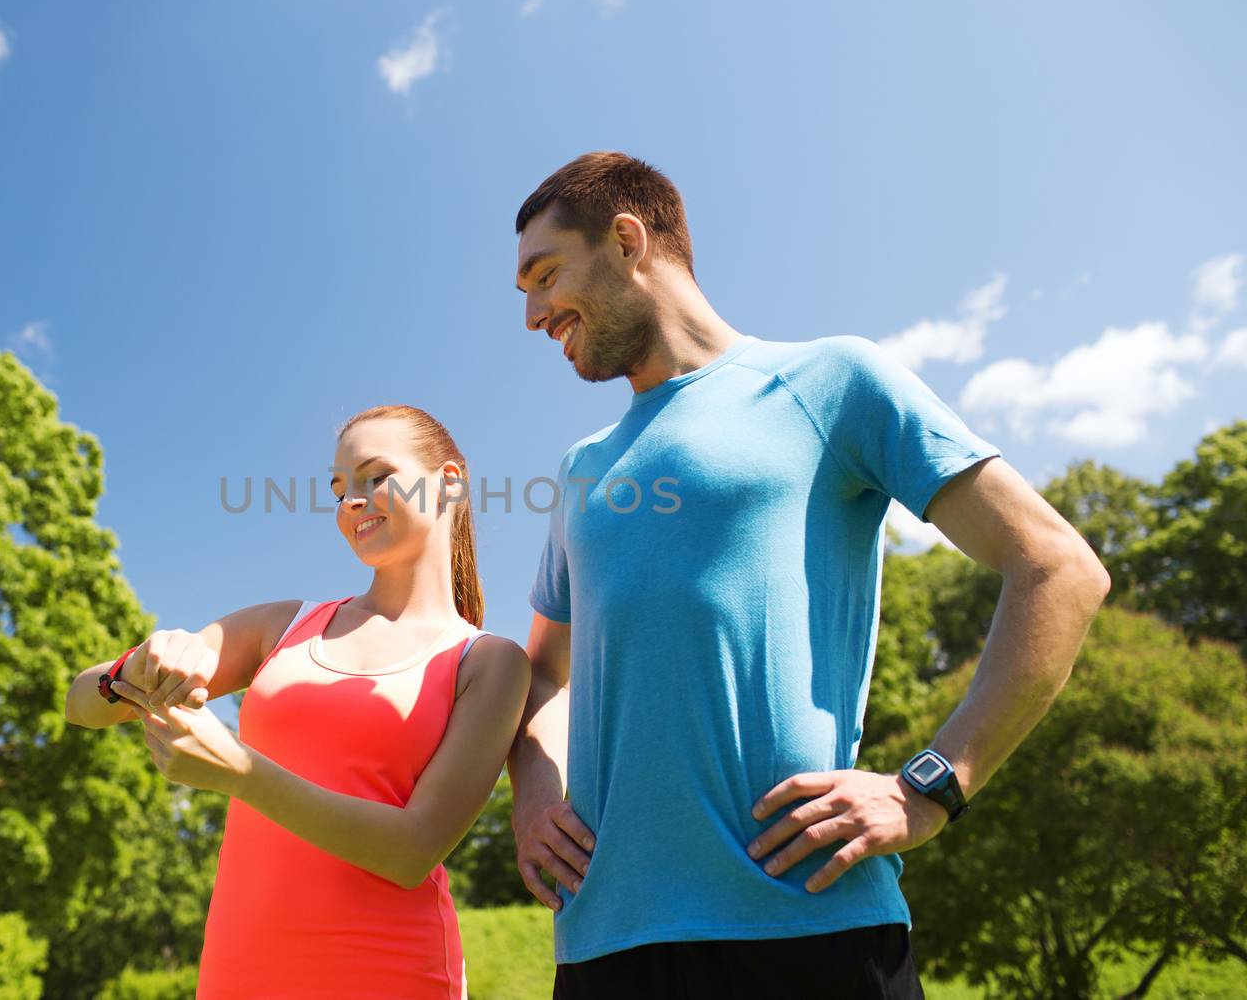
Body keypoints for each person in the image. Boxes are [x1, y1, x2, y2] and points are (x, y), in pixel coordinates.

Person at [506, 152, 1110, 999]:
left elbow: (1058, 567)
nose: (533, 314)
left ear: (628, 239)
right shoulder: (582, 467)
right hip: (605, 941)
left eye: (545, 275)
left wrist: (932, 785)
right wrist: (534, 791)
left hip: (812, 928)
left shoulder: (829, 381)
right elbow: (540, 673)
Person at [64, 405, 531, 1000]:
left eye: (375, 476)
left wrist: (242, 773)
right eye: (339, 489)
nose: (350, 503)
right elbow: (82, 701)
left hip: (392, 972)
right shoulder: (284, 627)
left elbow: (413, 850)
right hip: (240, 967)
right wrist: (142, 664)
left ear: (449, 481)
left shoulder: (489, 662)